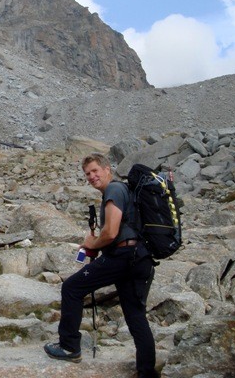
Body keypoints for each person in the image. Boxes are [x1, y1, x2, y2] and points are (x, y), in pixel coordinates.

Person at [44, 153, 158, 378]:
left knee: (72, 288)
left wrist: (92, 244)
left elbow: (111, 232)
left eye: (95, 171)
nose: (92, 176)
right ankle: (147, 372)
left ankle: (69, 347)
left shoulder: (114, 190)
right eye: (87, 174)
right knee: (136, 316)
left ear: (108, 169)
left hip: (123, 256)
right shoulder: (124, 191)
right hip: (140, 258)